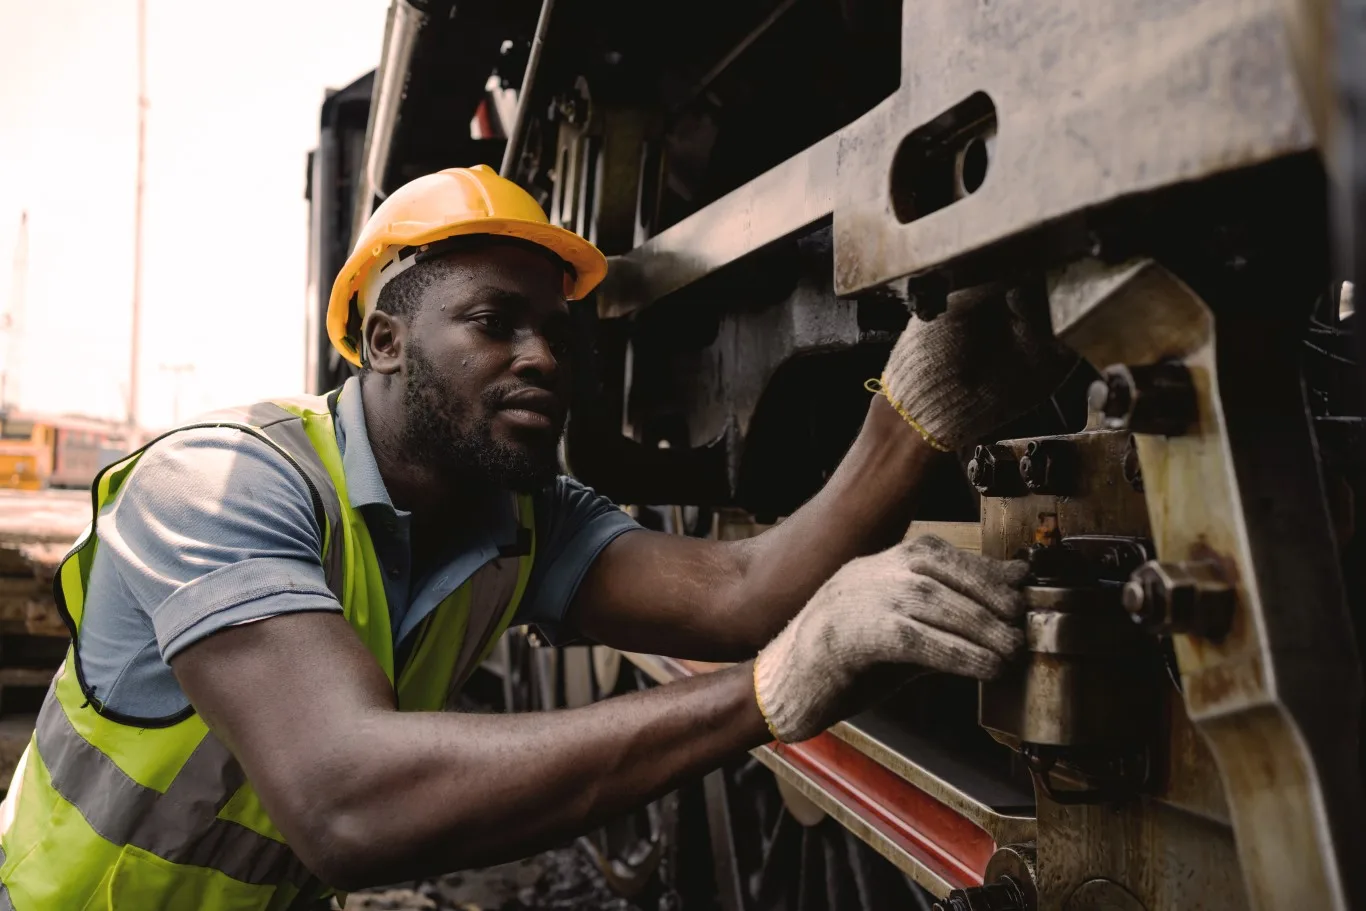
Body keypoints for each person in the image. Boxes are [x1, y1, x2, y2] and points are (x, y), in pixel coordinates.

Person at [0, 165, 1073, 909]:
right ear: (382, 340)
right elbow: (343, 796)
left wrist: (910, 421)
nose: (544, 356)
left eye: (557, 331)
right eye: (494, 321)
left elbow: (741, 589)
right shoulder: (220, 484)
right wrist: (769, 689)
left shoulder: (514, 511)